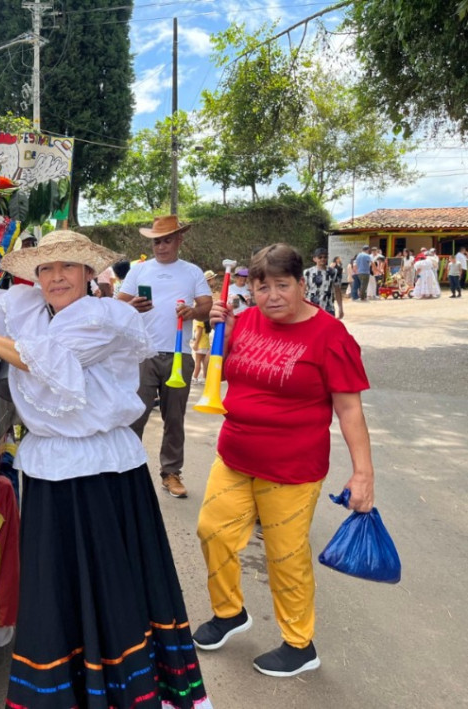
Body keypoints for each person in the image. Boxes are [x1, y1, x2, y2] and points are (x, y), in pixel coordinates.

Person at [0, 230, 212, 707]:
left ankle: (123, 690)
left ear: (88, 272)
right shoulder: (29, 305)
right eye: (46, 268)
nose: (56, 277)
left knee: (109, 583)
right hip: (51, 465)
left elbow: (45, 358)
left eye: (68, 266)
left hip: (101, 469)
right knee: (56, 586)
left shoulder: (105, 316)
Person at [192, 243, 376, 678]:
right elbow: (225, 369)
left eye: (281, 285)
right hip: (235, 454)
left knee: (285, 556)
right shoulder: (245, 321)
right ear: (251, 288)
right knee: (212, 531)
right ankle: (229, 613)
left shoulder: (330, 335)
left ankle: (299, 644)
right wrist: (221, 335)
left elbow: (349, 408)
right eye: (262, 287)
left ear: (300, 284)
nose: (272, 296)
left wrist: (363, 473)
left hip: (292, 469)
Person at [117, 216, 213, 499]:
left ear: (179, 239)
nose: (160, 246)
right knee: (134, 415)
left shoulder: (192, 272)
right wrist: (133, 305)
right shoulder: (139, 270)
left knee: (174, 418)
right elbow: (118, 305)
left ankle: (171, 472)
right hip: (141, 353)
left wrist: (193, 312)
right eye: (156, 241)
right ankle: (126, 472)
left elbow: (206, 305)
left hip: (179, 354)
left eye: (167, 240)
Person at [303, 247, 344, 318]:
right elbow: (302, 290)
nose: (323, 259)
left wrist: (340, 308)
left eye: (325, 257)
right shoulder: (308, 272)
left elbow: (337, 290)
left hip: (328, 307)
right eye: (320, 257)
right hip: (311, 307)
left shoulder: (333, 272)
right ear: (314, 259)